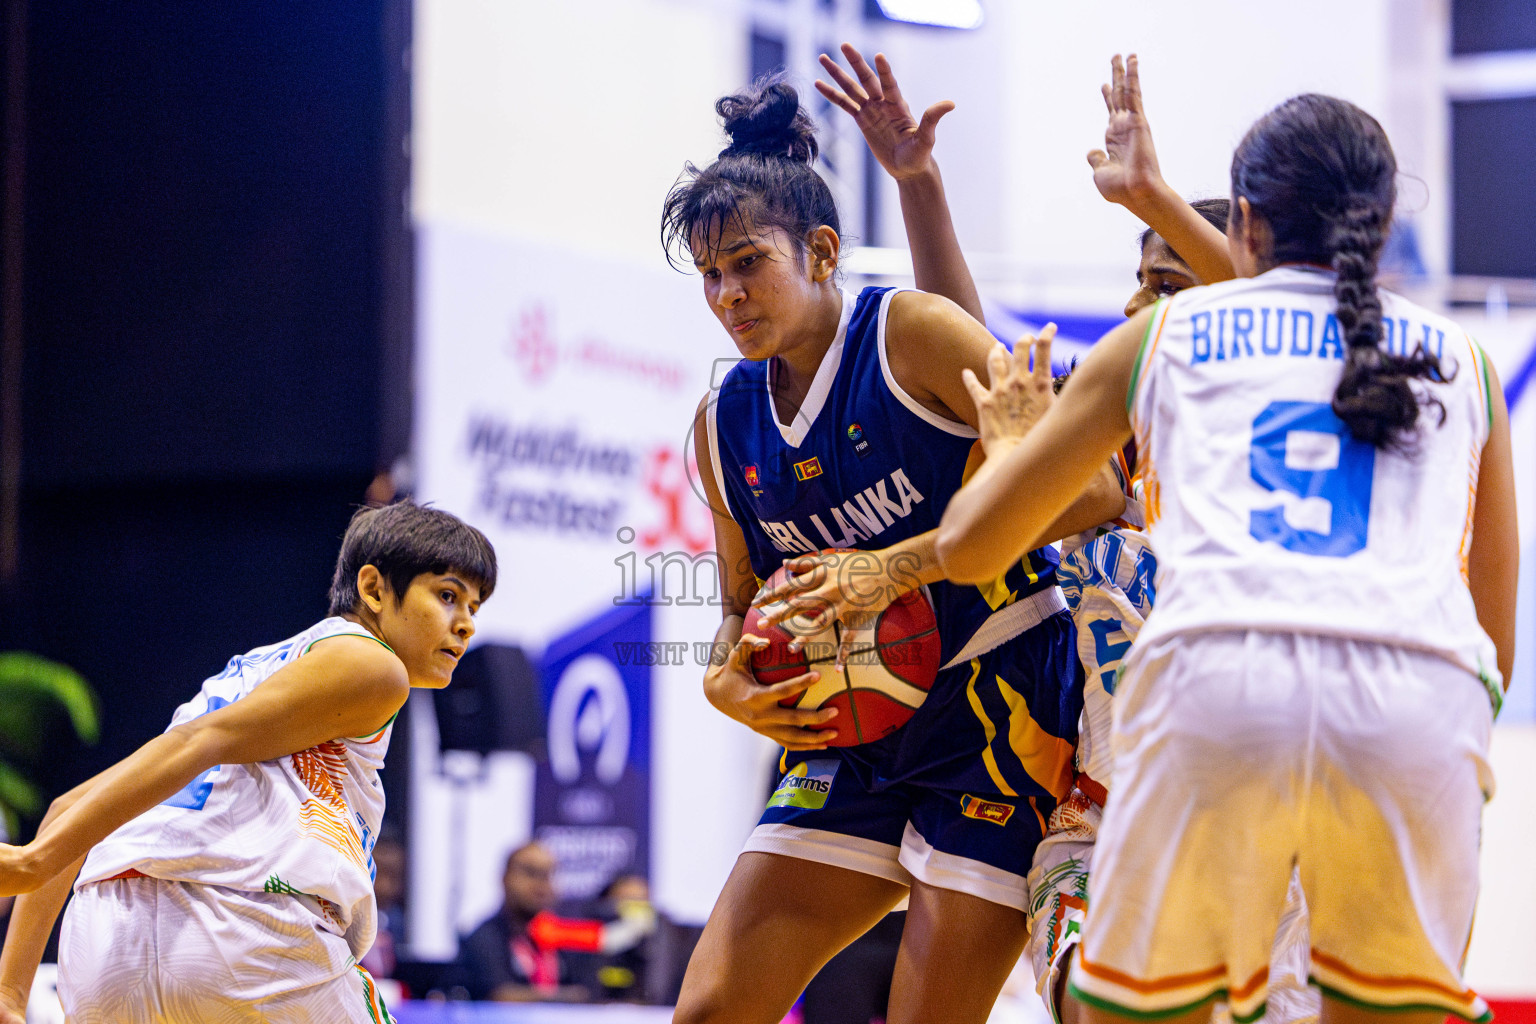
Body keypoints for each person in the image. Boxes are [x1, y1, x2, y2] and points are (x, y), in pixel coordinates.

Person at [938, 90, 1516, 1024]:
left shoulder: (1162, 337)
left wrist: (1009, 443)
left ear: (1245, 222)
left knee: (1129, 1011)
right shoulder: (1467, 363)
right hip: (1418, 702)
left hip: (1219, 686)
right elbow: (1496, 634)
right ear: (1383, 228)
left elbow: (969, 547)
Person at [817, 45, 1322, 1024]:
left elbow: (1270, 318)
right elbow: (976, 362)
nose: (1141, 306)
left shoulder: (1273, 441)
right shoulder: (1115, 439)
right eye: (1139, 280)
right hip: (1099, 812)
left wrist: (1152, 196)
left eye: (1168, 283)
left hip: (1261, 807)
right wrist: (921, 186)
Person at [664, 77, 1123, 1024]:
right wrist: (723, 676)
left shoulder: (906, 332)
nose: (728, 295)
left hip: (997, 702)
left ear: (822, 252)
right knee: (710, 1010)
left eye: (747, 263)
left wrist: (895, 566)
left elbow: (1094, 492)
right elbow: (736, 606)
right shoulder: (720, 425)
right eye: (711, 275)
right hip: (852, 728)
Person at [0, 500, 498, 1024]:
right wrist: (33, 863)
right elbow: (206, 740)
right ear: (374, 589)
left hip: (105, 937)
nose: (464, 624)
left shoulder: (258, 669)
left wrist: (11, 992)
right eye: (448, 596)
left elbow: (71, 804)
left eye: (474, 608)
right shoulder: (375, 667)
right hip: (244, 932)